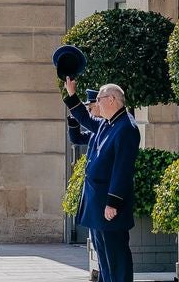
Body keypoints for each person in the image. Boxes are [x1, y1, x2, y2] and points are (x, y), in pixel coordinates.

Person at [63, 77, 140, 282]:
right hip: (97, 201)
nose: (96, 103)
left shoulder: (126, 127)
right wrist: (72, 95)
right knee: (104, 258)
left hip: (108, 203)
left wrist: (113, 202)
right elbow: (86, 121)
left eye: (100, 98)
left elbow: (122, 169)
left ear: (112, 99)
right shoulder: (109, 122)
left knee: (116, 257)